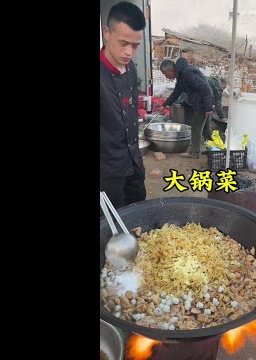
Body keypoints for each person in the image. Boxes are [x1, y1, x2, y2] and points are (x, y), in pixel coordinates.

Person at [100, 1, 147, 211]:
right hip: (107, 172)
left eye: (135, 46)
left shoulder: (131, 70)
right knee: (112, 229)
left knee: (139, 217)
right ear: (107, 33)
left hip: (134, 163)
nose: (129, 52)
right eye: (123, 43)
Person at [160, 58, 214, 159]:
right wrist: (165, 105)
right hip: (201, 102)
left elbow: (205, 88)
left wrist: (208, 107)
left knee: (195, 127)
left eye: (165, 74)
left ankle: (194, 152)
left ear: (170, 70)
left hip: (202, 103)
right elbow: (176, 92)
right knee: (206, 128)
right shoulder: (181, 75)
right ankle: (213, 150)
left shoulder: (187, 73)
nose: (166, 77)